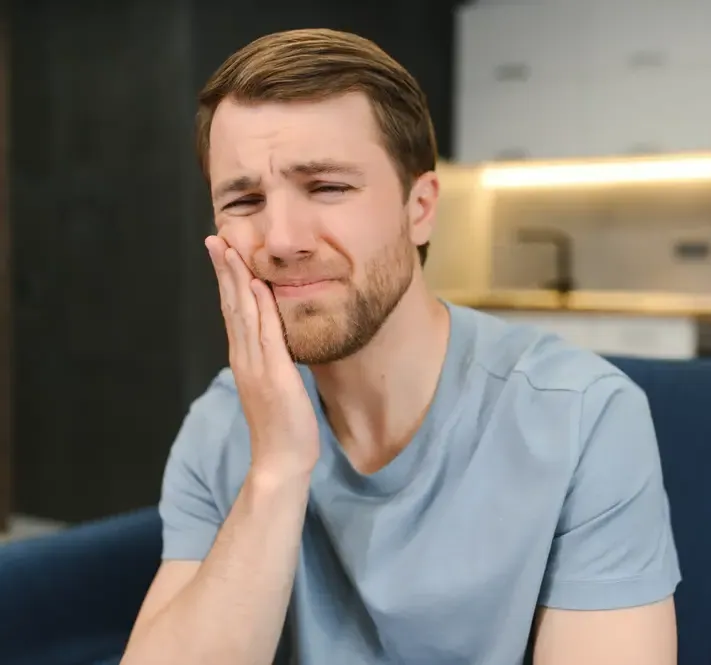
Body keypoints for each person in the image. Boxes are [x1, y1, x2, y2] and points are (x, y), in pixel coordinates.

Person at [121, 28, 681, 665]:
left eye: (327, 187)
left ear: (420, 208)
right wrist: (278, 468)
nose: (280, 239)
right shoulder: (224, 422)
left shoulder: (582, 416)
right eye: (245, 200)